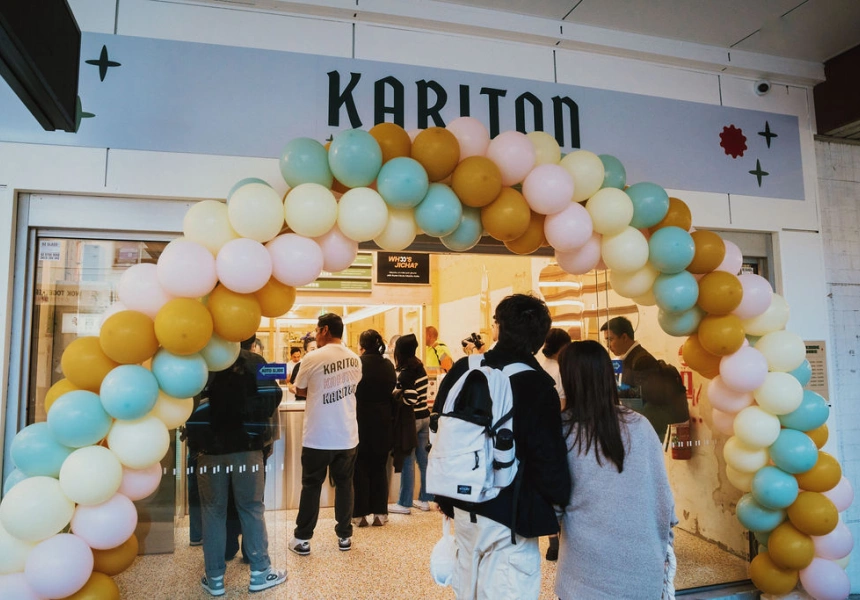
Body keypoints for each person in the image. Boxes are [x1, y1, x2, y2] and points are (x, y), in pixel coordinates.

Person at [434, 294, 571, 600]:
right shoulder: (537, 386)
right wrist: (561, 502)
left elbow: (440, 429)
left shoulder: (462, 369)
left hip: (463, 509)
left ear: (497, 329)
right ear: (539, 337)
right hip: (510, 518)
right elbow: (548, 461)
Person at [555, 340, 677, 599]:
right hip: (642, 566)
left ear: (568, 379)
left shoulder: (564, 429)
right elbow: (662, 494)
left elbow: (554, 501)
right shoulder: (639, 424)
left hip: (584, 569)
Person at [193, 337, 286, 596]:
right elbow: (274, 396)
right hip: (247, 448)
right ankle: (260, 572)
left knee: (213, 512)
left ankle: (214, 579)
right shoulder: (256, 361)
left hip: (209, 450)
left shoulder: (202, 363)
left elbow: (189, 405)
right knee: (252, 508)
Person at [289, 313, 363, 555]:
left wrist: (296, 387)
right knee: (345, 485)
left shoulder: (312, 358)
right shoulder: (355, 359)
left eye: (316, 329)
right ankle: (344, 537)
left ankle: (303, 540)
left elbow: (300, 389)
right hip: (347, 434)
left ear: (325, 330)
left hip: (318, 436)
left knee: (311, 486)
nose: (315, 334)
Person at [353, 329, 397, 527]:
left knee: (360, 467)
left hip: (360, 419)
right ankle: (380, 513)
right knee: (380, 466)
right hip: (383, 421)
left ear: (362, 346)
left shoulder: (357, 364)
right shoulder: (388, 365)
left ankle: (360, 514)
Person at [536, 326, 571, 562]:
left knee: (547, 490)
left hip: (540, 433)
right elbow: (562, 405)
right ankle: (563, 542)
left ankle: (552, 544)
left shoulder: (538, 366)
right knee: (562, 487)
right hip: (559, 432)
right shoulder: (562, 370)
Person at [388, 333, 431, 515]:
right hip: (425, 418)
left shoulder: (406, 373)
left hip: (411, 421)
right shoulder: (419, 367)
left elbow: (411, 397)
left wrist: (397, 395)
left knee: (407, 461)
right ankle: (425, 499)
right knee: (423, 460)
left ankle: (404, 503)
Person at [600, 316, 658, 402]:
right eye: (606, 341)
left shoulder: (643, 360)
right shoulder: (621, 359)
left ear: (624, 337)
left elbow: (644, 394)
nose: (608, 345)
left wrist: (614, 392)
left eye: (610, 339)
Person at [289, 336, 317, 401]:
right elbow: (291, 385)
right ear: (305, 352)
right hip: (301, 403)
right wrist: (291, 388)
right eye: (312, 349)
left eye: (318, 348)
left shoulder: (322, 367)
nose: (316, 351)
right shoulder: (299, 366)